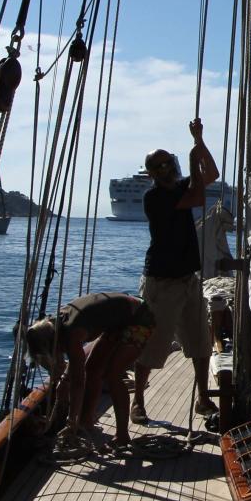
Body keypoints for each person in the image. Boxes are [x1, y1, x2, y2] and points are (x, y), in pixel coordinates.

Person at [131, 117, 220, 424]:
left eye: (169, 162)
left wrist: (199, 143)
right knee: (153, 344)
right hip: (163, 281)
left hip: (188, 278)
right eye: (160, 166)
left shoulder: (181, 186)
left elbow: (212, 173)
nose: (167, 169)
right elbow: (197, 195)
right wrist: (194, 162)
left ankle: (203, 397)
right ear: (152, 173)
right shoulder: (154, 197)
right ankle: (138, 401)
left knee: (200, 343)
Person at [23, 292, 155, 449]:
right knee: (92, 368)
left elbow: (78, 381)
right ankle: (86, 422)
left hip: (140, 317)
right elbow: (74, 368)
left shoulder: (73, 334)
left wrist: (71, 421)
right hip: (117, 322)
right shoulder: (54, 323)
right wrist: (64, 381)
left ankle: (122, 436)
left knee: (114, 375)